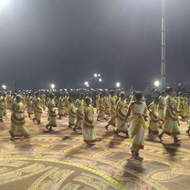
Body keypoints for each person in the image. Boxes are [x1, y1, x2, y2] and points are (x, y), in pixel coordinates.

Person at [121, 91, 147, 161]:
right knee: (139, 137)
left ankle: (134, 151)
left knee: (134, 136)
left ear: (134, 97)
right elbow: (145, 113)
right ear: (141, 97)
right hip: (141, 121)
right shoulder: (144, 104)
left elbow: (128, 114)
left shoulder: (132, 104)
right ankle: (136, 153)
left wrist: (124, 122)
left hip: (134, 121)